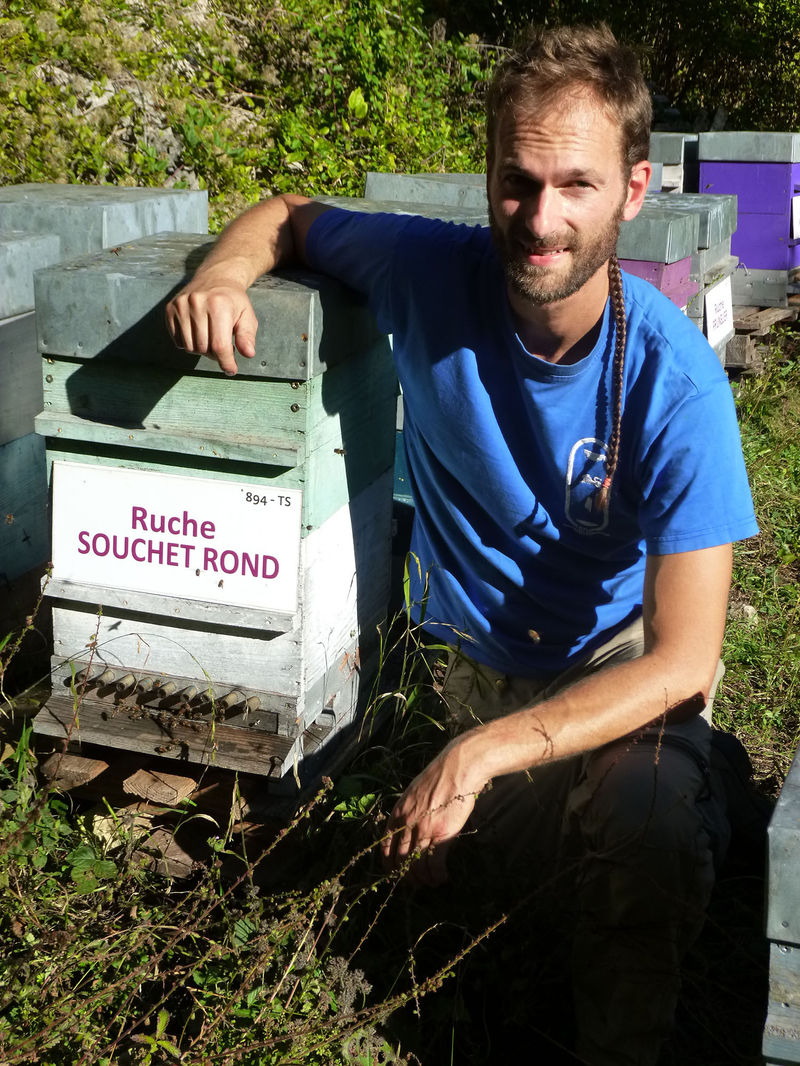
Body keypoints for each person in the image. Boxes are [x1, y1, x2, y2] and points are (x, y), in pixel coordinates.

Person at [166, 23, 757, 1064]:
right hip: (462, 671)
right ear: (487, 176)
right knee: (455, 892)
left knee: (648, 818)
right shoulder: (424, 268)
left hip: (606, 678)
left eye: (573, 185)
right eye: (515, 183)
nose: (538, 220)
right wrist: (222, 273)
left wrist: (478, 756)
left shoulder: (677, 385)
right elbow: (290, 216)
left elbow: (682, 656)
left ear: (632, 192)